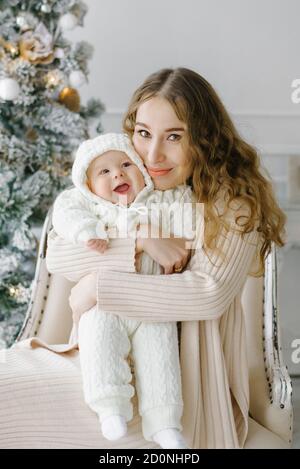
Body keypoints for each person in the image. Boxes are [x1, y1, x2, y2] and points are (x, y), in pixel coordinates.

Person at [42, 67, 286, 448]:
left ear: (205, 140)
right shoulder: (127, 185)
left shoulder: (232, 205)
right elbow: (59, 253)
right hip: (101, 371)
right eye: (143, 134)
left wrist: (98, 285)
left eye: (174, 136)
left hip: (181, 393)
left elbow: (206, 293)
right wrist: (140, 239)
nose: (152, 154)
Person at [50, 132, 196, 448]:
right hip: (102, 304)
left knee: (161, 355)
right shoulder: (92, 208)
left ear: (142, 172)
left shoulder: (158, 201)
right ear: (88, 186)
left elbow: (186, 207)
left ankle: (165, 422)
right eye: (103, 171)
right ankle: (110, 407)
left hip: (151, 303)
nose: (117, 173)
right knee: (98, 340)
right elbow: (65, 210)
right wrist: (85, 231)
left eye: (126, 164)